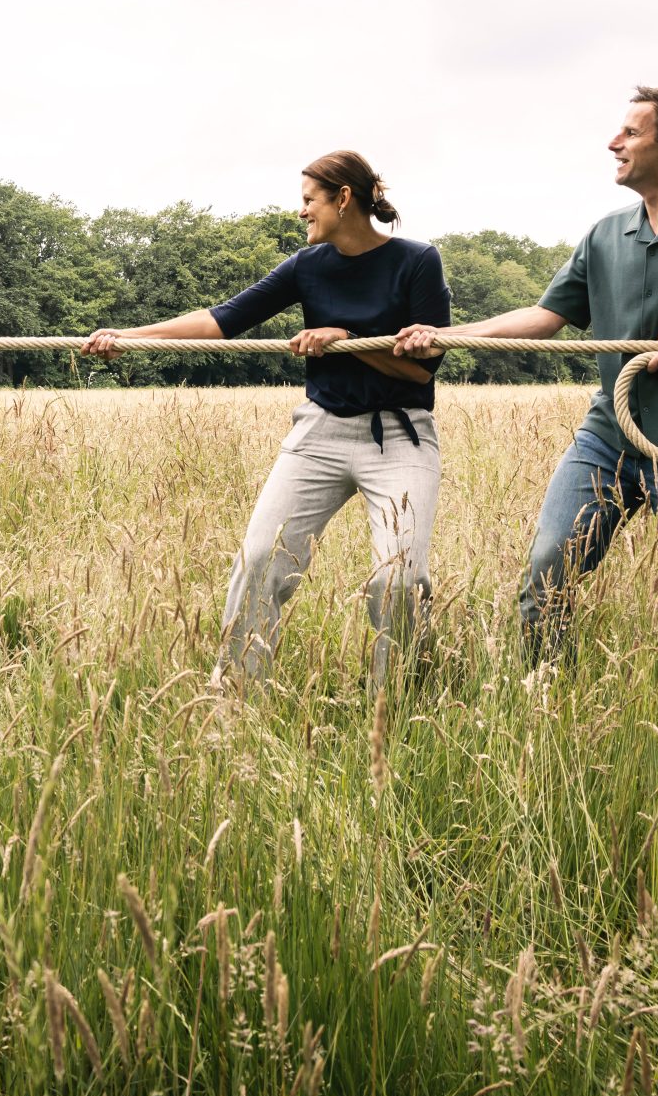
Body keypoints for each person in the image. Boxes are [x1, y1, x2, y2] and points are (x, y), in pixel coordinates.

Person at [397, 86, 658, 662]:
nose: (614, 143)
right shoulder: (605, 233)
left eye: (631, 133)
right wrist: (442, 335)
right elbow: (545, 317)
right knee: (547, 573)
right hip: (607, 438)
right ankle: (544, 702)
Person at [85, 152, 451, 694]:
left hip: (400, 436)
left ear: (343, 199)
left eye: (308, 200)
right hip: (320, 433)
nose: (301, 212)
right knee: (261, 561)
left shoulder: (417, 260)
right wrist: (128, 336)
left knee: (398, 579)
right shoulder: (307, 266)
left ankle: (395, 706)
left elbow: (422, 366)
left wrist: (346, 340)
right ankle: (233, 700)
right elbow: (220, 320)